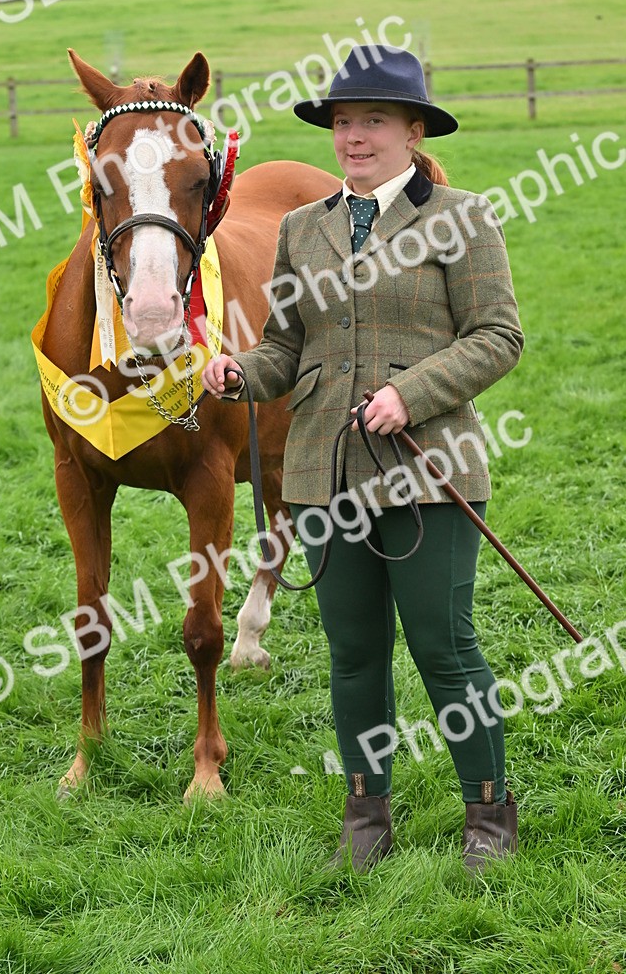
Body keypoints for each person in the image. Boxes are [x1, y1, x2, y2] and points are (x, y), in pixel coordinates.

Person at [202, 45, 524, 874]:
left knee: (444, 646)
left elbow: (499, 337)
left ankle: (487, 810)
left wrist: (411, 394)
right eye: (344, 122)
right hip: (324, 475)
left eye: (373, 121)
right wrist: (241, 371)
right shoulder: (299, 228)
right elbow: (285, 348)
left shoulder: (463, 216)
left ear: (413, 131)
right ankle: (365, 809)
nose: (354, 137)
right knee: (352, 653)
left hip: (430, 468)